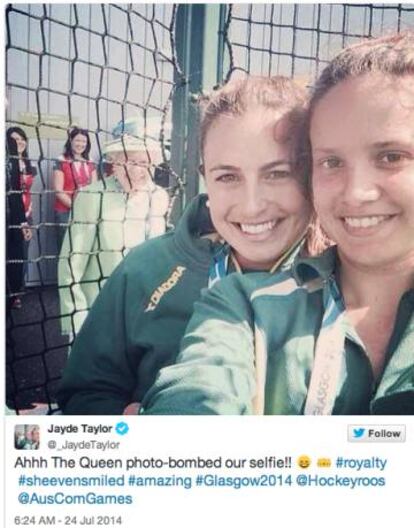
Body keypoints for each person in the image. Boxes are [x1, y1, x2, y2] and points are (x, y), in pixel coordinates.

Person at [142, 31, 414, 415]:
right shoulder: (243, 304)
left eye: (391, 156)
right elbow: (199, 393)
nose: (356, 193)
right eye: (331, 162)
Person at [57, 76, 322, 415]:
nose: (252, 205)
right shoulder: (144, 268)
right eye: (227, 176)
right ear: (205, 176)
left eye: (277, 173)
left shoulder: (351, 277)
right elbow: (85, 394)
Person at [57, 117, 170, 337]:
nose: (142, 171)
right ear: (115, 162)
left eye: (149, 163)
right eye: (135, 162)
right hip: (98, 317)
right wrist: (77, 322)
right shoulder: (92, 196)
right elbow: (71, 265)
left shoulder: (159, 197)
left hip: (144, 317)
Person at [53, 127, 97, 249]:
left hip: (85, 212)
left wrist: (86, 209)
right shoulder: (61, 160)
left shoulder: (90, 162)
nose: (80, 144)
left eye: (84, 141)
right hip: (65, 212)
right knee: (65, 248)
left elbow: (94, 189)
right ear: (70, 140)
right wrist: (76, 206)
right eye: (77, 140)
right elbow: (58, 190)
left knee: (81, 248)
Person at [6, 128, 34, 310]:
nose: (18, 142)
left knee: (21, 254)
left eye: (21, 139)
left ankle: (16, 292)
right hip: (10, 214)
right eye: (14, 140)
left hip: (27, 212)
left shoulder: (28, 163)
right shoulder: (8, 163)